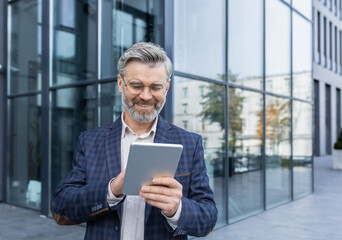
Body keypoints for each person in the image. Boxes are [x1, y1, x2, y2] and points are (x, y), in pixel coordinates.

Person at [51, 42, 217, 240]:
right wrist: (112, 190)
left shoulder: (190, 143)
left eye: (155, 87)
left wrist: (177, 209)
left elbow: (208, 219)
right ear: (121, 84)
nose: (146, 96)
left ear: (167, 86)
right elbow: (60, 209)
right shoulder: (90, 141)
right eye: (136, 85)